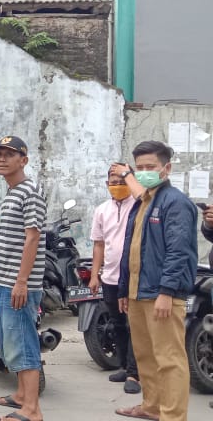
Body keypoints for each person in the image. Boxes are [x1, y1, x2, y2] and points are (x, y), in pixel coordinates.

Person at [111, 141, 197, 421]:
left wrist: (167, 291)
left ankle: (173, 415)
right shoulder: (144, 201)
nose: (144, 172)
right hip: (138, 292)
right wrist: (124, 290)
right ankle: (152, 407)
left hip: (162, 294)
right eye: (140, 167)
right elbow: (133, 247)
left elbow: (178, 251)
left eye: (151, 167)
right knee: (146, 356)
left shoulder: (175, 202)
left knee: (169, 359)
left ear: (166, 168)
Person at [0, 136, 46, 421]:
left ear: (24, 160)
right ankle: (21, 395)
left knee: (23, 341)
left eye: (9, 154)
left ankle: (32, 409)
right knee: (11, 341)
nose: (1, 159)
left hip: (18, 284)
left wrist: (21, 281)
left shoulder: (30, 191)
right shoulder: (13, 191)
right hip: (5, 281)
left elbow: (32, 237)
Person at [88, 168, 140, 394]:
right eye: (113, 182)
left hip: (134, 278)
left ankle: (135, 374)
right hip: (110, 277)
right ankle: (124, 366)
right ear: (106, 183)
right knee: (118, 324)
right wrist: (94, 275)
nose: (117, 185)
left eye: (122, 181)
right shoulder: (102, 210)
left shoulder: (139, 206)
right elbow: (99, 244)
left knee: (135, 326)